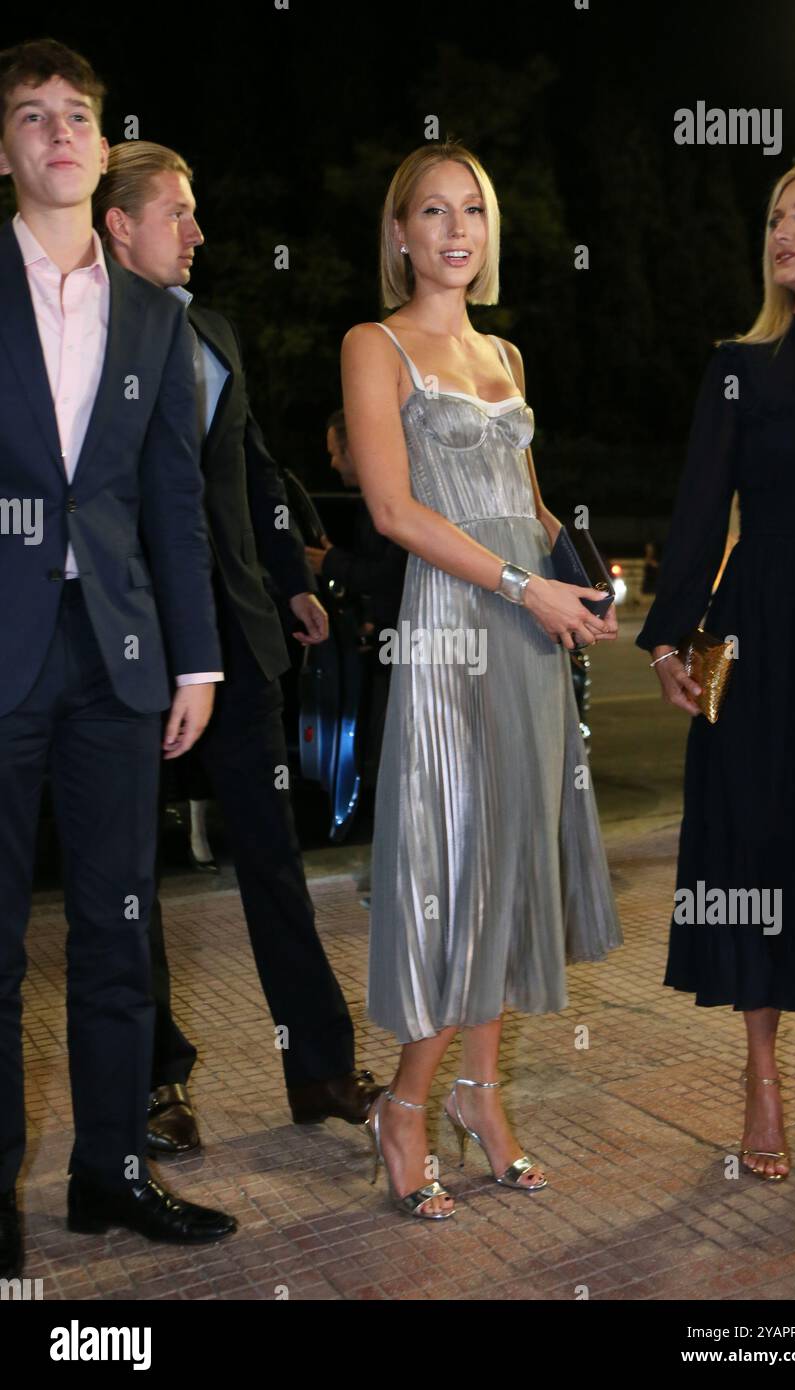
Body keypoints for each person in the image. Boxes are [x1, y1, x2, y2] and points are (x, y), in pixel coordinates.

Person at [342, 141, 622, 1219]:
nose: (455, 229)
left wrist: (580, 579)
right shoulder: (374, 345)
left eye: (472, 210)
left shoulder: (503, 351)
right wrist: (523, 587)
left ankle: (478, 1097)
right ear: (399, 233)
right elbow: (394, 513)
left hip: (529, 632)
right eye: (430, 211)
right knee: (457, 868)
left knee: (510, 867)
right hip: (456, 628)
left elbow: (534, 505)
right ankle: (402, 1108)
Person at [93, 141, 383, 1156]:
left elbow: (253, 471)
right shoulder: (83, 332)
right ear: (117, 223)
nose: (199, 232)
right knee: (130, 874)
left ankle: (318, 1066)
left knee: (272, 853)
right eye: (177, 212)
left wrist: (293, 582)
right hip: (127, 646)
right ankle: (152, 1084)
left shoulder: (212, 331)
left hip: (237, 637)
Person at [0, 40, 236, 1279]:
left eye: (74, 115)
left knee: (119, 929)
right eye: (30, 116)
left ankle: (110, 1173)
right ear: (5, 151)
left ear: (99, 144)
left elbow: (171, 502)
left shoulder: (155, 313)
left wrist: (195, 661)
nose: (56, 133)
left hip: (123, 665)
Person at [636, 158, 795, 1182]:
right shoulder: (737, 363)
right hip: (759, 626)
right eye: (774, 215)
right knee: (754, 841)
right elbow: (698, 506)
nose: (781, 230)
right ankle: (760, 1077)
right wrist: (665, 634)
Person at [305, 408, 408, 898]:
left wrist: (334, 564)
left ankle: (400, 876)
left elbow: (396, 573)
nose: (331, 462)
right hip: (391, 647)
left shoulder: (390, 498)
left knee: (398, 762)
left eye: (334, 450)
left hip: (409, 653)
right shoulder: (376, 498)